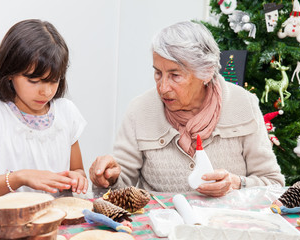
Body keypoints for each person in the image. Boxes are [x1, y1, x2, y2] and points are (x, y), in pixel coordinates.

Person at [89, 21, 285, 197]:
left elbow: (273, 184)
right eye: (158, 73)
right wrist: (109, 178)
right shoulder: (139, 110)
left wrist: (237, 184)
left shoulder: (243, 104)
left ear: (206, 73)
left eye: (175, 75)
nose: (163, 87)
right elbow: (120, 191)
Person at [0, 19, 88, 205]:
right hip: (6, 225)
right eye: (34, 81)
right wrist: (19, 177)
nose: (45, 91)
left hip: (54, 222)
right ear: (10, 73)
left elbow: (77, 170)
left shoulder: (66, 112)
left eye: (53, 80)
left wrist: (77, 179)